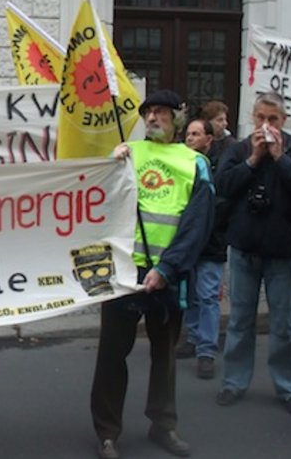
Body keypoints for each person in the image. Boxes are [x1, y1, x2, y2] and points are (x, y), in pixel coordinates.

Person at [91, 90, 215, 459]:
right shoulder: (127, 152)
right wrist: (108, 167)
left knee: (165, 355)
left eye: (160, 112)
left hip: (167, 276)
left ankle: (164, 424)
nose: (152, 118)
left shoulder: (195, 162)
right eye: (148, 113)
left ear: (178, 117)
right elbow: (100, 201)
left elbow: (197, 224)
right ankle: (107, 432)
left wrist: (167, 268)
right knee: (112, 353)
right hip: (125, 272)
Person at [215, 92, 291, 415]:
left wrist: (279, 157)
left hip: (283, 252)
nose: (265, 125)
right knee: (240, 322)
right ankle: (234, 382)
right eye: (260, 118)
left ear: (284, 121)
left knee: (285, 324)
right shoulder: (239, 150)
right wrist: (253, 160)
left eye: (272, 119)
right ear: (253, 117)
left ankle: (289, 387)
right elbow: (223, 186)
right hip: (245, 250)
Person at [176, 118, 227, 380]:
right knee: (192, 292)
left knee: (208, 295)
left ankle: (207, 350)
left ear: (209, 138)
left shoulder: (219, 164)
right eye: (188, 134)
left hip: (212, 241)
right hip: (189, 241)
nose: (190, 138)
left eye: (196, 134)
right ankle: (193, 337)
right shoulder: (182, 162)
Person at [199, 100, 235, 164]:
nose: (225, 123)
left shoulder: (231, 145)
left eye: (225, 119)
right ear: (208, 122)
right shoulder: (199, 141)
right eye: (220, 120)